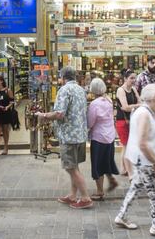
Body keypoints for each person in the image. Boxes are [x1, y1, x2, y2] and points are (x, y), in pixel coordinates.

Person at [115, 84, 155, 238]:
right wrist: (154, 159)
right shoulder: (144, 114)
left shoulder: (146, 111)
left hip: (141, 159)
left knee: (136, 187)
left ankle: (121, 216)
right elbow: (141, 141)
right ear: (153, 98)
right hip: (144, 159)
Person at [36, 66, 92, 209]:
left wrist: (43, 116)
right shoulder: (80, 90)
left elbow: (59, 114)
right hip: (80, 134)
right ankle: (73, 195)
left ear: (63, 77)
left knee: (70, 168)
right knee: (75, 166)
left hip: (68, 135)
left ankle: (85, 197)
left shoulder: (64, 90)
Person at [88, 78, 119, 201]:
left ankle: (100, 191)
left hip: (99, 137)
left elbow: (90, 123)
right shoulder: (109, 100)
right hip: (110, 136)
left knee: (97, 165)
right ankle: (111, 180)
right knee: (106, 161)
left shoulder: (94, 104)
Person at [115, 69, 140, 179]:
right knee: (126, 145)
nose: (133, 80)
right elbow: (125, 107)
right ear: (125, 79)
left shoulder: (134, 89)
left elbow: (140, 102)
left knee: (128, 146)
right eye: (131, 78)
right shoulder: (121, 90)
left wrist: (134, 106)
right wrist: (137, 106)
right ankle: (125, 169)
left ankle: (123, 168)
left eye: (135, 78)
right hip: (123, 121)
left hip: (132, 121)